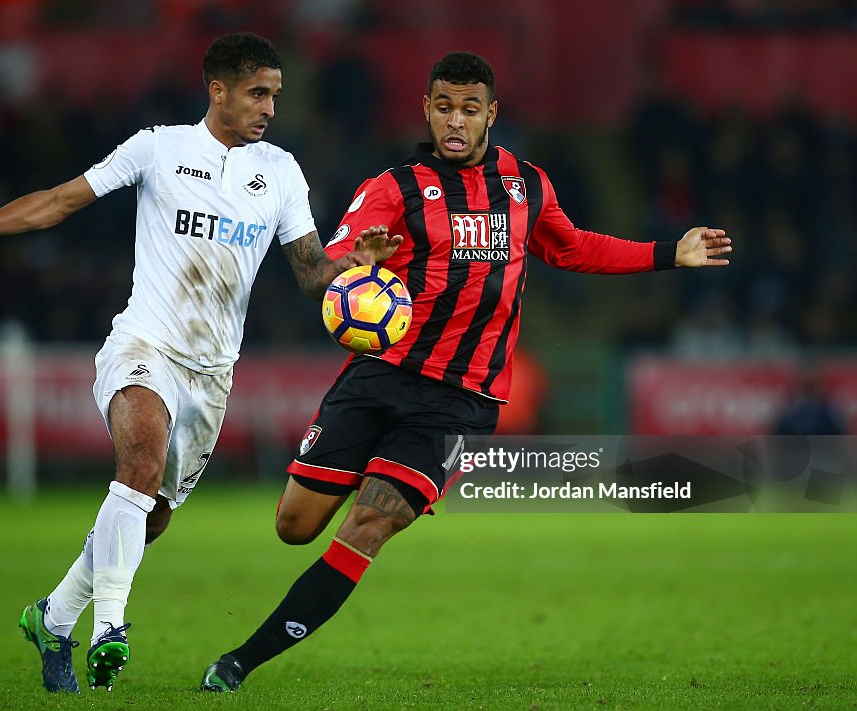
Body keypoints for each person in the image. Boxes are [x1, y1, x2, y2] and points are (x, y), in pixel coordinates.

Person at [200, 51, 732, 692]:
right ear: (426, 109)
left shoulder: (524, 183)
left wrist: (669, 253)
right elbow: (334, 258)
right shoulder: (393, 187)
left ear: (491, 115)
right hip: (379, 376)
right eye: (444, 107)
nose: (456, 121)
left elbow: (572, 246)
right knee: (294, 526)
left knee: (367, 525)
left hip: (460, 400)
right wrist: (357, 261)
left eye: (469, 109)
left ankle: (237, 663)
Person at [0, 33, 398, 694]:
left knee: (150, 514)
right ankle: (110, 628)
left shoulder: (280, 171)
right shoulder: (157, 147)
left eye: (275, 93)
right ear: (217, 90)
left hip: (212, 372)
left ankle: (54, 616)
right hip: (145, 344)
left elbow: (310, 275)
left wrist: (353, 269)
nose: (269, 106)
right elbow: (59, 201)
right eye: (257, 92)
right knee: (137, 465)